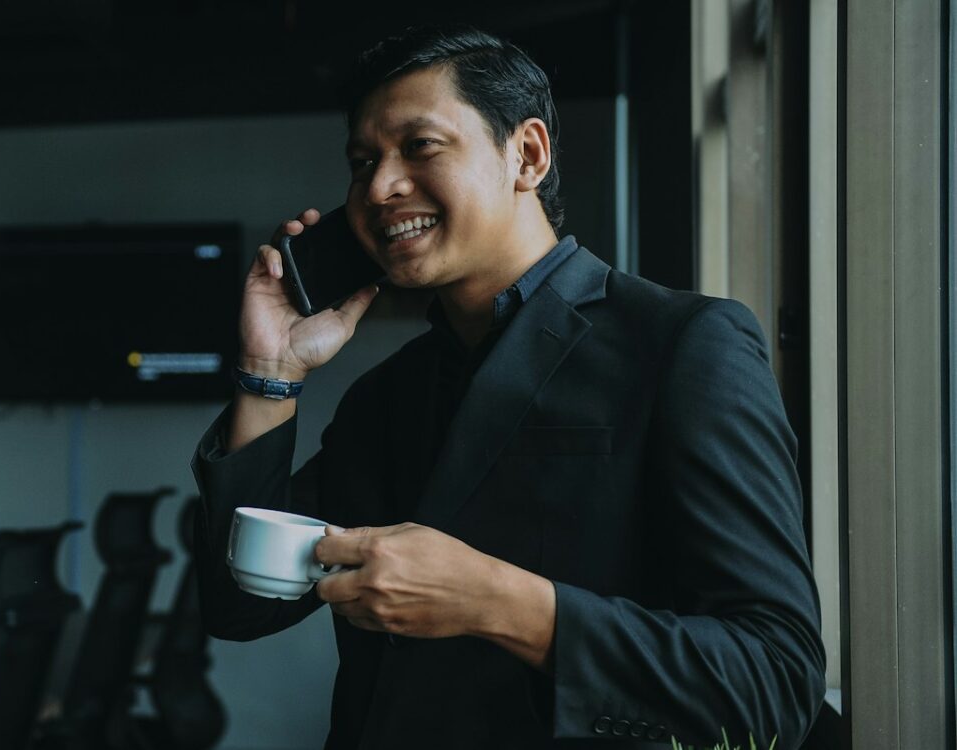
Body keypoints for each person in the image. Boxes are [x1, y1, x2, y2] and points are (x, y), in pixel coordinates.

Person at [191, 24, 825, 749]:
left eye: (420, 146)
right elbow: (240, 607)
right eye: (362, 162)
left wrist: (498, 602)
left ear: (527, 154)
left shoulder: (684, 345)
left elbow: (776, 679)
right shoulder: (382, 397)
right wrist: (270, 372)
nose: (380, 186)